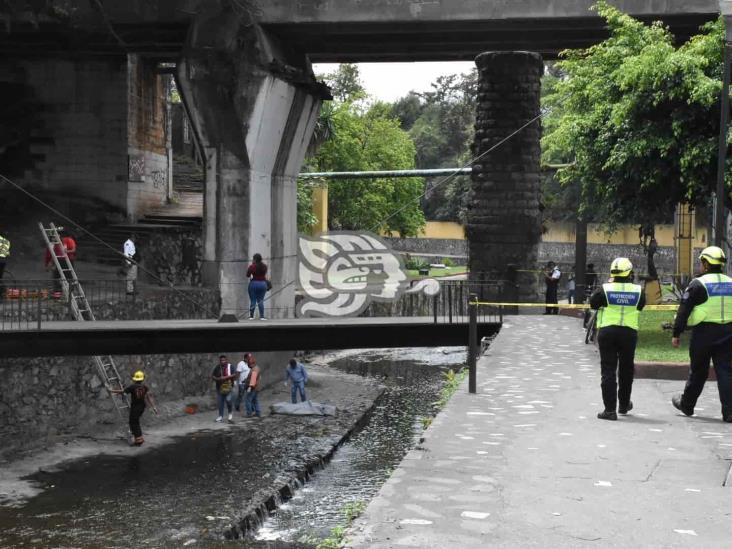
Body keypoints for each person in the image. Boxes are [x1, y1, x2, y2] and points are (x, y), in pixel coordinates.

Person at [671, 246, 732, 423]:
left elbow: (684, 310)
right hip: (728, 333)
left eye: (701, 262)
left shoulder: (699, 284)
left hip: (704, 333)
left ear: (705, 264)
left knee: (698, 371)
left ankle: (687, 405)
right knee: (726, 371)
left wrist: (677, 333)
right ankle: (729, 412)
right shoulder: (730, 282)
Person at [590, 257, 645, 420]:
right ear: (629, 273)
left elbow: (593, 304)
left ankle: (609, 410)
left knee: (608, 369)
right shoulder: (638, 290)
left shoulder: (604, 289)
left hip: (608, 332)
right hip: (628, 333)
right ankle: (623, 404)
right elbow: (641, 305)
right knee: (626, 369)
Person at [108, 370, 158, 446]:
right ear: (142, 379)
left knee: (134, 423)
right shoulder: (145, 387)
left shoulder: (132, 387)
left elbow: (123, 391)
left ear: (135, 379)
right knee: (135, 422)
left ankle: (139, 440)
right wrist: (154, 407)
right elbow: (149, 397)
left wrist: (111, 390)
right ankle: (139, 438)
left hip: (135, 407)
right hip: (142, 407)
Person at [212, 355, 237, 423]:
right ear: (220, 361)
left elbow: (235, 374)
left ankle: (230, 415)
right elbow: (213, 376)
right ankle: (220, 416)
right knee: (220, 403)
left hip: (228, 387)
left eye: (224, 360)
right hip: (219, 388)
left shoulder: (230, 366)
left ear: (226, 360)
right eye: (221, 360)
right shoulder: (217, 367)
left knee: (228, 400)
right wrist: (218, 379)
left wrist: (226, 377)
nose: (222, 361)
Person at [247, 253, 268, 320]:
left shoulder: (252, 266)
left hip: (254, 283)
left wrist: (252, 266)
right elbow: (264, 274)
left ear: (255, 259)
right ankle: (262, 316)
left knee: (253, 300)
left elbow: (247, 275)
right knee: (260, 300)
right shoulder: (264, 266)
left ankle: (251, 316)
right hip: (263, 284)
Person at [0, 231, 9, 297]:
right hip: (3, 261)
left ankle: (3, 291)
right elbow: (7, 253)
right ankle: (3, 291)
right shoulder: (6, 241)